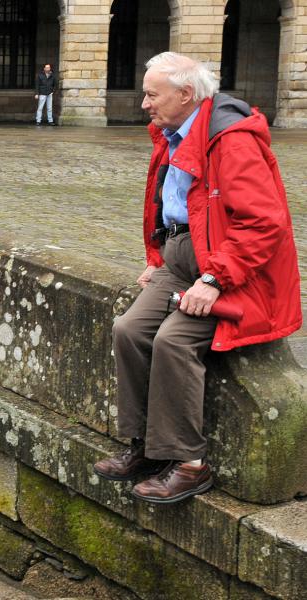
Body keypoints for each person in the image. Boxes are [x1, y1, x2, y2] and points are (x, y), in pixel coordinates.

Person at [93, 52, 301, 504]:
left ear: (186, 94)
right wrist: (156, 255)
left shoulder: (231, 140)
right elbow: (169, 205)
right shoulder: (173, 132)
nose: (144, 103)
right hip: (183, 261)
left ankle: (188, 463)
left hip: (234, 273)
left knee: (174, 341)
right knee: (129, 329)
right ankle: (145, 447)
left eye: (152, 94)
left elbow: (265, 223)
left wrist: (214, 279)